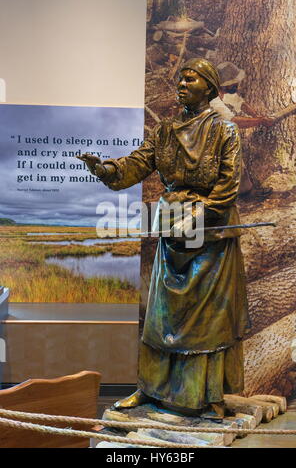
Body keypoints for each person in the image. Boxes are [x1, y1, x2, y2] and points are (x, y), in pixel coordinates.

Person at [78, 58, 250, 420]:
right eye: (180, 79)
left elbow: (227, 187)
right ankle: (150, 389)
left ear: (210, 88)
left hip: (210, 231)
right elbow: (137, 164)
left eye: (191, 79)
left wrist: (197, 217)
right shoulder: (166, 131)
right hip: (172, 226)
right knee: (161, 316)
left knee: (206, 318)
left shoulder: (224, 131)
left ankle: (207, 395)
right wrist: (106, 169)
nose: (182, 84)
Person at [210, 61, 274, 198]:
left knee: (236, 160)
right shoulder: (213, 101)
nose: (237, 86)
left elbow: (240, 103)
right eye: (234, 83)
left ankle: (246, 192)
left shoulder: (226, 93)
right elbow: (234, 121)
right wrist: (260, 121)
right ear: (225, 85)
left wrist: (256, 115)